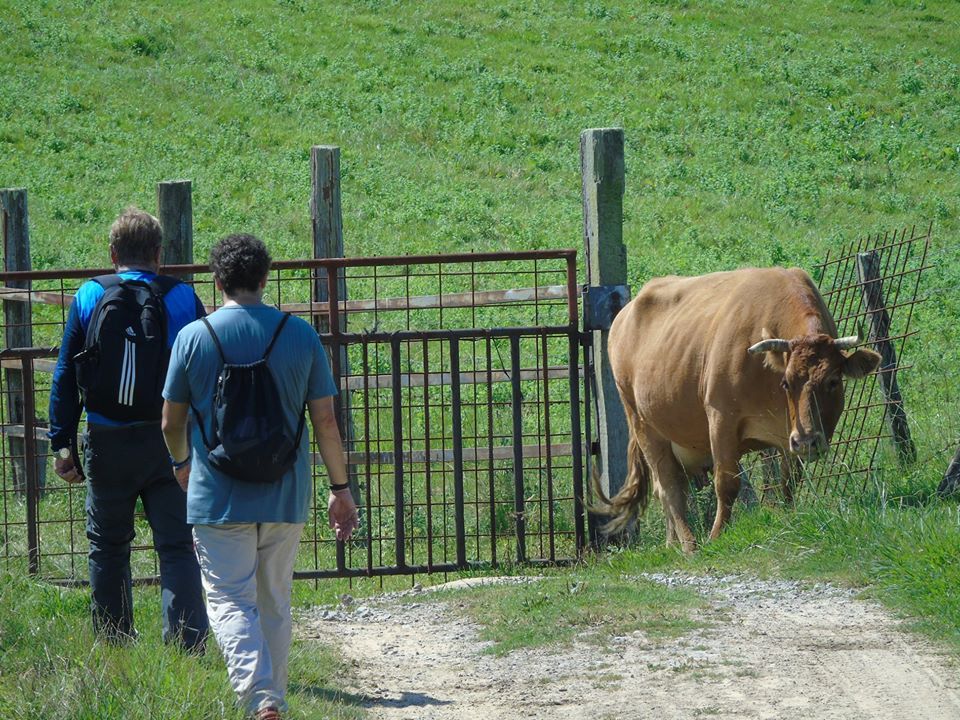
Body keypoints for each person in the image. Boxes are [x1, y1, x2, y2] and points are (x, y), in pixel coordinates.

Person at [161, 233, 358, 720]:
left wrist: (183, 464)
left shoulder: (193, 338)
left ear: (218, 280)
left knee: (230, 600)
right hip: (284, 494)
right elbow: (326, 421)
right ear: (265, 277)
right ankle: (273, 700)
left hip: (216, 497)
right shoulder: (300, 335)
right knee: (274, 601)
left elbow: (169, 422)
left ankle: (261, 700)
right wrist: (340, 489)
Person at [49, 206, 209, 650]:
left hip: (106, 439)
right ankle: (187, 644)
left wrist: (62, 444)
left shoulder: (89, 294)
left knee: (107, 545)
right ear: (159, 254)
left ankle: (115, 642)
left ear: (113, 253)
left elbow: (66, 374)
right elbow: (203, 371)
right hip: (170, 439)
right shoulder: (182, 297)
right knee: (177, 545)